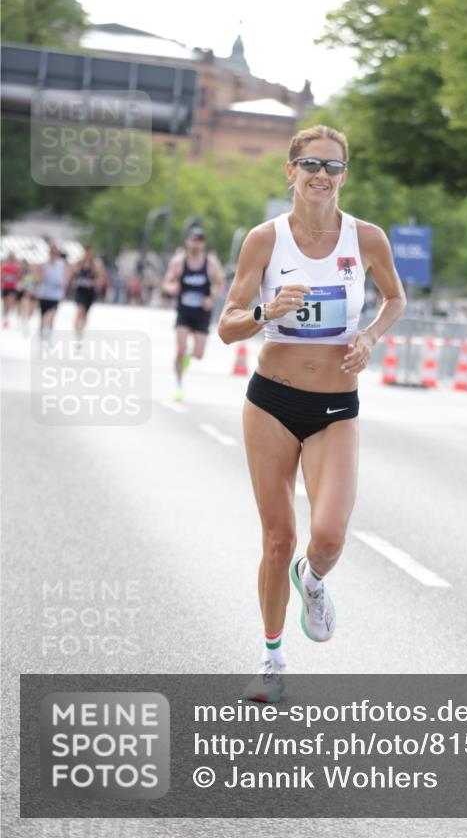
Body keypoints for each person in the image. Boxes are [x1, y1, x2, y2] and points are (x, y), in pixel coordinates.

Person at [218, 125, 406, 702]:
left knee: (326, 536)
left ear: (344, 175)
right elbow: (227, 326)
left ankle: (314, 578)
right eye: (311, 165)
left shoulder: (366, 238)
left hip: (335, 407)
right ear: (291, 170)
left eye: (333, 166)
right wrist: (265, 312)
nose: (321, 175)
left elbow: (395, 298)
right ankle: (272, 660)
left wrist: (369, 337)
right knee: (279, 538)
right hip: (271, 402)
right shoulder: (265, 240)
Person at [162, 226, 225, 400]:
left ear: (203, 244)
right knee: (181, 348)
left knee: (198, 354)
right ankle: (178, 385)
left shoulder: (210, 264)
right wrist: (171, 288)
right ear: (187, 242)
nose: (196, 244)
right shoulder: (178, 262)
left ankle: (188, 358)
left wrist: (211, 297)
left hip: (202, 313)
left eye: (200, 241)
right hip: (184, 311)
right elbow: (166, 282)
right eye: (194, 240)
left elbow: (220, 283)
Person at [34, 243, 71, 343]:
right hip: (44, 294)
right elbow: (38, 278)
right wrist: (41, 276)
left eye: (55, 253)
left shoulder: (62, 264)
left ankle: (49, 332)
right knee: (43, 315)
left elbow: (66, 277)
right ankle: (42, 331)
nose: (53, 255)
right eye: (52, 253)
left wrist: (64, 283)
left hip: (55, 295)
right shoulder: (44, 265)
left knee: (52, 314)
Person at [72, 244, 107, 338]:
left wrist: (92, 283)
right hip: (80, 290)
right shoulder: (79, 263)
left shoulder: (95, 265)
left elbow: (101, 279)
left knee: (85, 314)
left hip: (90, 291)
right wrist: (74, 281)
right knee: (80, 310)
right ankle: (76, 330)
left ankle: (81, 329)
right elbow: (71, 274)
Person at [1, 255, 21, 328]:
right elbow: (2, 276)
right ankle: (5, 316)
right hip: (5, 287)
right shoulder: (5, 266)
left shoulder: (16, 268)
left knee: (9, 302)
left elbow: (17, 277)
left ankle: (6, 318)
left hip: (12, 288)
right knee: (5, 303)